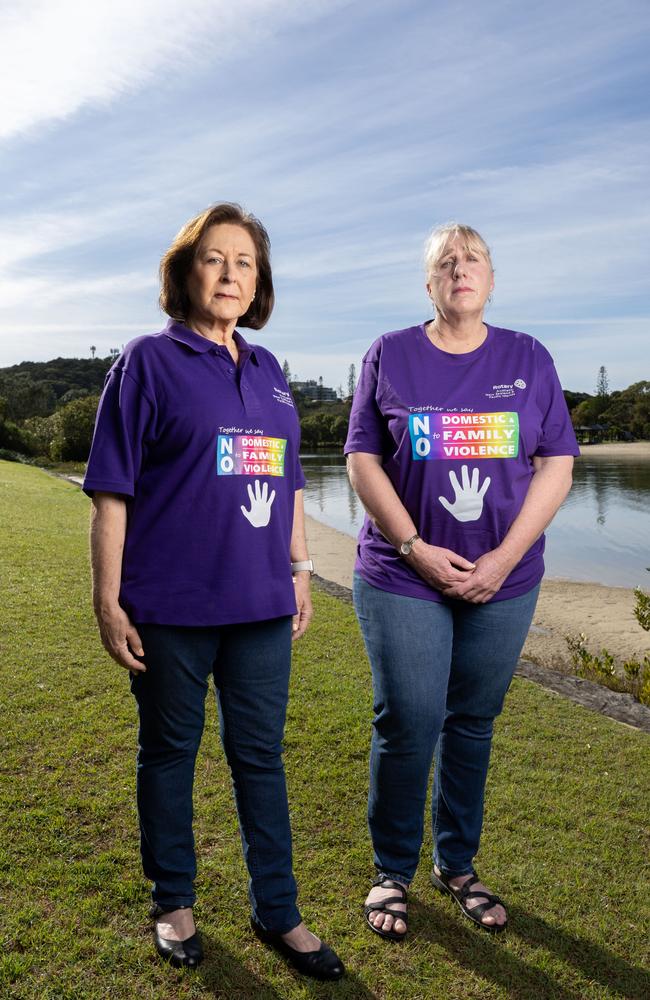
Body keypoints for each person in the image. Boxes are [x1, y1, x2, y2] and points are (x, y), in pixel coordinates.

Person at [83, 203, 344, 979]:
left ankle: (280, 911)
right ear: (185, 270)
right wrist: (108, 600)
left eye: (246, 263)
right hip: (170, 608)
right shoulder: (146, 362)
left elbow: (290, 482)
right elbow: (111, 495)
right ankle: (174, 903)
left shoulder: (269, 373)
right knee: (169, 754)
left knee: (260, 758)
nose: (230, 275)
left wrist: (299, 573)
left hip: (262, 606)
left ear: (258, 282)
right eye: (215, 258)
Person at [345, 223, 578, 940]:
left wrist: (504, 558)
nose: (460, 269)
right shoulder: (391, 353)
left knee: (472, 723)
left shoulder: (528, 357)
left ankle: (457, 864)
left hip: (502, 579)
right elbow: (361, 461)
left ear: (491, 279)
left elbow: (557, 463)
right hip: (403, 574)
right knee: (409, 720)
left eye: (473, 258)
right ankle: (392, 870)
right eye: (446, 261)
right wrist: (415, 548)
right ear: (429, 284)